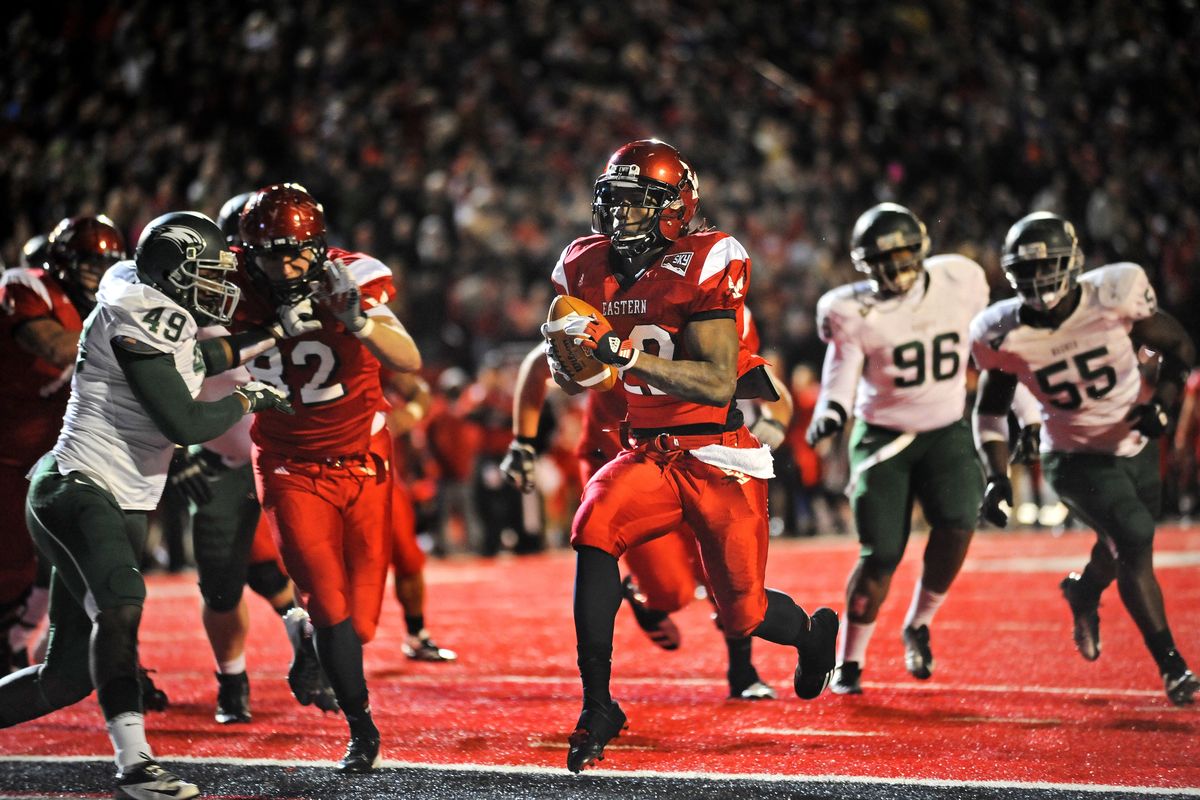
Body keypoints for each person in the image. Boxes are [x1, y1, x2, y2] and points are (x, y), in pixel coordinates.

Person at [539, 139, 837, 773]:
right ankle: (598, 704)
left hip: (718, 454)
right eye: (613, 201)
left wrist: (621, 355)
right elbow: (580, 379)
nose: (619, 216)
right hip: (648, 450)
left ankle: (812, 636)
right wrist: (571, 364)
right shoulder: (583, 265)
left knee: (743, 613)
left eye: (636, 203)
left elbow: (717, 381)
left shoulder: (706, 259)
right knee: (593, 525)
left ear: (675, 207)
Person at [0, 210, 294, 800]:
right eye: (206, 272)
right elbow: (185, 423)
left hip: (116, 494)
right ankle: (135, 766)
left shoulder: (156, 306)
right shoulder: (141, 311)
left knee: (66, 678)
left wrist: (276, 331)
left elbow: (202, 360)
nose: (218, 285)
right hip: (80, 484)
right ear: (172, 270)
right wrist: (252, 396)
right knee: (122, 604)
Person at [502, 309, 791, 700]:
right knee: (671, 591)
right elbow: (540, 365)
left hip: (698, 455)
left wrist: (771, 426)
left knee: (726, 569)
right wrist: (522, 442)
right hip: (619, 456)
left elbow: (772, 390)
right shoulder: (618, 301)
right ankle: (647, 600)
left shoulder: (721, 311)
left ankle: (742, 670)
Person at [971, 211, 1198, 706]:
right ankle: (1172, 666)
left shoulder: (1113, 294)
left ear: (1071, 263)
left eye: (1046, 266)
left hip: (1135, 444)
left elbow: (1179, 347)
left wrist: (1162, 404)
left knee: (1122, 546)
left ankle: (1085, 590)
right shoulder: (1001, 331)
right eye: (1026, 270)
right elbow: (988, 411)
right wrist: (995, 476)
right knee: (1134, 535)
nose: (1037, 279)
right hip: (1072, 456)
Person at [234, 183, 422, 772]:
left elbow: (408, 357)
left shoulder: (352, 276)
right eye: (274, 257)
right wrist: (268, 332)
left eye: (298, 254)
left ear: (318, 248)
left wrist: (357, 321)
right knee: (329, 603)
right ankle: (361, 727)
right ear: (249, 254)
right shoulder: (229, 287)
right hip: (288, 466)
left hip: (363, 459)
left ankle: (307, 638)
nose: (288, 268)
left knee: (360, 625)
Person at [155, 193, 337, 724]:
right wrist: (178, 450)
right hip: (225, 460)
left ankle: (317, 651)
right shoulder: (191, 305)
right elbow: (157, 385)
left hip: (287, 457)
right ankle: (233, 679)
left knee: (310, 568)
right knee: (219, 583)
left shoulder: (306, 295)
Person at [806, 203, 991, 695]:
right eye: (882, 259)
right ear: (865, 264)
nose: (894, 266)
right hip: (884, 437)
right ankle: (850, 659)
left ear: (921, 249)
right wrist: (831, 412)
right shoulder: (852, 309)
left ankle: (920, 622)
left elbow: (989, 343)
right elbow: (841, 371)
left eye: (902, 253)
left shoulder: (960, 280)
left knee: (959, 524)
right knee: (881, 552)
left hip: (946, 428)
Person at [0, 219, 125, 674]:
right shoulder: (29, 285)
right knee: (11, 566)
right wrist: (130, 334)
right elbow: (54, 347)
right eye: (89, 266)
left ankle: (110, 661)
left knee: (82, 556)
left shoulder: (110, 306)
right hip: (8, 450)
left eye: (105, 266)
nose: (97, 276)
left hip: (56, 455)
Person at [381, 369, 458, 662]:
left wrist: (408, 415)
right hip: (312, 473)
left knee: (408, 557)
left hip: (379, 475)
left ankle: (417, 633)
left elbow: (419, 391)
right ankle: (315, 639)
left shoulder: (368, 350)